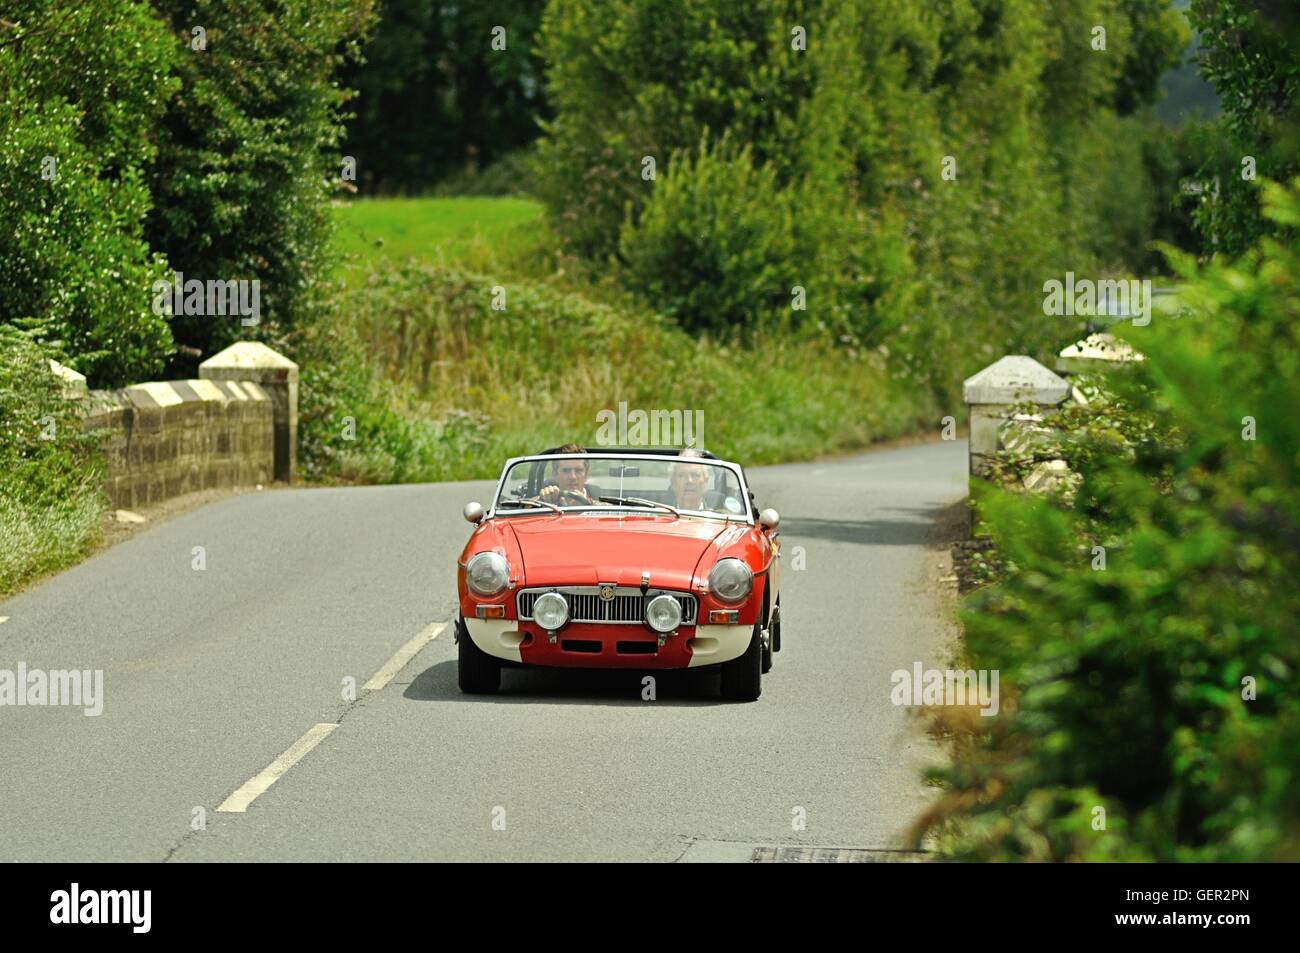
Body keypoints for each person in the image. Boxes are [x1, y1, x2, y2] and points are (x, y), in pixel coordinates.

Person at [537, 444, 604, 505]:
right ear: (555, 474)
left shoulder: (598, 504)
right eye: (566, 471)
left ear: (586, 474)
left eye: (578, 470)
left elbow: (609, 508)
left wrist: (587, 503)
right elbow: (527, 505)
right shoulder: (546, 498)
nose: (573, 477)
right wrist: (542, 499)